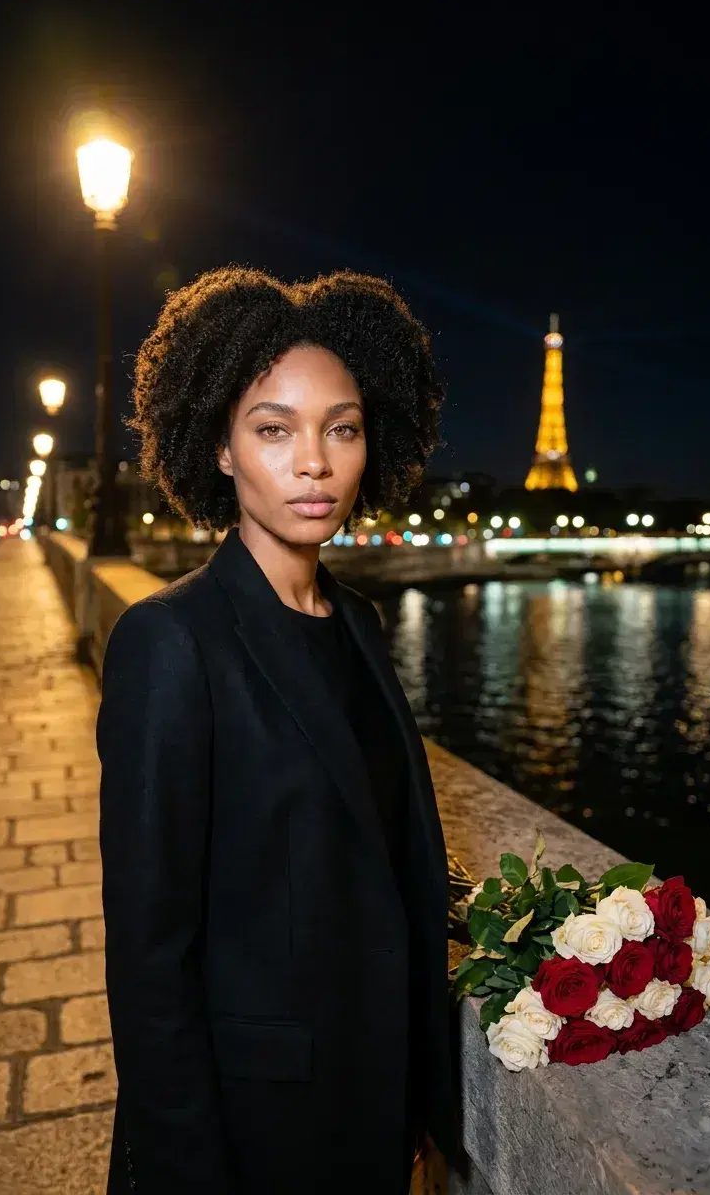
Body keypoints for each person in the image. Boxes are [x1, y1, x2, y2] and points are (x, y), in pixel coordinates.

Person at [96, 266, 451, 1194]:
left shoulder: (360, 625)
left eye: (342, 427)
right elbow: (148, 955)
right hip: (248, 1128)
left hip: (366, 1101)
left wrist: (409, 1091)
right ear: (217, 448)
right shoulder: (170, 641)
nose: (315, 463)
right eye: (272, 429)